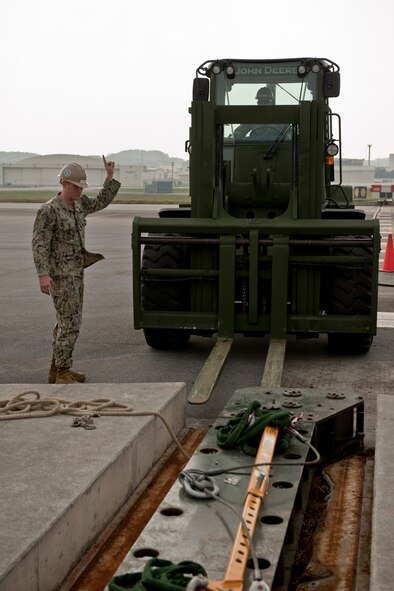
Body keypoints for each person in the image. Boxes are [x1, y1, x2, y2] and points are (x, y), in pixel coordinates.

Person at [32, 157, 121, 384]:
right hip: (60, 276)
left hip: (76, 273)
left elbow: (101, 201)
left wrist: (109, 178)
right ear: (63, 184)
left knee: (66, 321)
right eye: (76, 186)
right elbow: (40, 244)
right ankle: (62, 372)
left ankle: (57, 368)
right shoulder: (49, 210)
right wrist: (43, 274)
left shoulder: (79, 205)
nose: (80, 190)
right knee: (70, 322)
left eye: (82, 187)